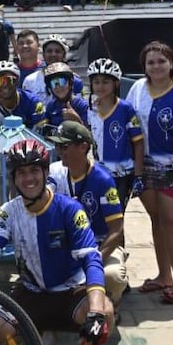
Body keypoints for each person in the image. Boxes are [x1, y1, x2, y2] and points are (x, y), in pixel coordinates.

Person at [0, 140, 114, 345]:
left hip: (70, 293)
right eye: (21, 173)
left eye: (34, 171)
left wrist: (97, 309)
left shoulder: (70, 209)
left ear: (46, 172)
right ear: (13, 178)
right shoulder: (8, 211)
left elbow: (91, 259)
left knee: (105, 312)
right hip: (31, 293)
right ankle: (40, 341)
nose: (29, 178)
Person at [126, 41, 173, 304]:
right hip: (145, 166)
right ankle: (163, 275)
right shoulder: (137, 89)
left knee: (172, 222)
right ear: (144, 66)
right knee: (157, 220)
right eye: (150, 62)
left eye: (161, 61)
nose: (156, 66)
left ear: (171, 63)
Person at [47, 121, 129, 305]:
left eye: (64, 146)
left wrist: (95, 260)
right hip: (65, 245)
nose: (59, 151)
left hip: (99, 245)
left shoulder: (103, 179)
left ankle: (108, 306)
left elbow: (116, 229)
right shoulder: (55, 172)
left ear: (83, 147)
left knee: (112, 277)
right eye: (57, 146)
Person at [85, 58, 144, 209]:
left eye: (106, 82)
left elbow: (138, 142)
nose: (100, 86)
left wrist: (138, 175)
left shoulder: (125, 109)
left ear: (116, 83)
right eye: (96, 82)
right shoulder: (90, 109)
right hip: (99, 173)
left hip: (122, 175)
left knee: (117, 217)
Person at [0, 61, 46, 135]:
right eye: (0, 81)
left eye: (9, 80)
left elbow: (41, 130)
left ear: (17, 82)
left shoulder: (35, 102)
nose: (4, 85)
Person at [42, 62, 89, 129]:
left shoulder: (83, 106)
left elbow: (91, 136)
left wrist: (77, 120)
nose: (58, 87)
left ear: (70, 83)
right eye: (54, 83)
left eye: (61, 81)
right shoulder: (51, 106)